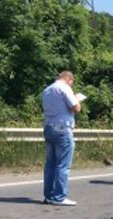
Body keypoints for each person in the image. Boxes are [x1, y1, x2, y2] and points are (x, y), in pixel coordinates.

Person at [41, 70, 82, 206]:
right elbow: (75, 108)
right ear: (69, 80)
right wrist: (77, 99)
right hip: (63, 129)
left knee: (50, 163)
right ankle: (59, 196)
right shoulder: (65, 88)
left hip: (49, 127)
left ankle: (49, 195)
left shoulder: (47, 90)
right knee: (63, 164)